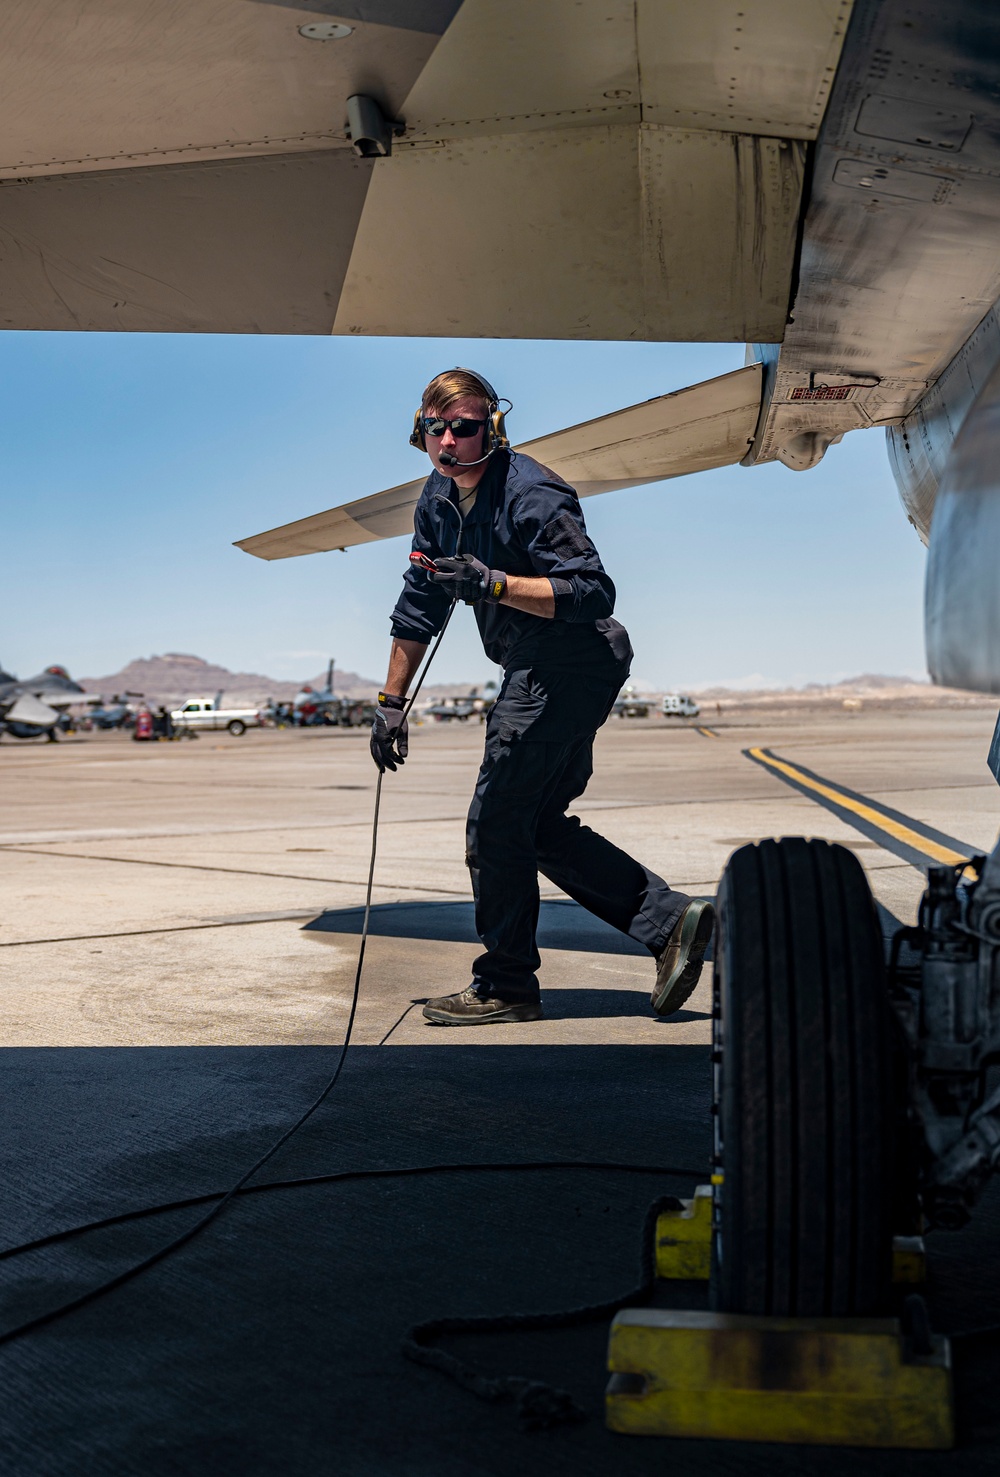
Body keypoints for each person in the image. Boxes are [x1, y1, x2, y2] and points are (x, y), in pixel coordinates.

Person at [370, 368, 714, 1025]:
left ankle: (505, 985)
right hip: (537, 664)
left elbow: (593, 592)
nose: (447, 441)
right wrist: (391, 703)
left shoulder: (531, 491)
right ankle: (671, 925)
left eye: (464, 428)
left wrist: (496, 584)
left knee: (497, 820)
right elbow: (419, 604)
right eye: (434, 428)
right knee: (536, 827)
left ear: (491, 431)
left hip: (569, 659)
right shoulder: (435, 502)